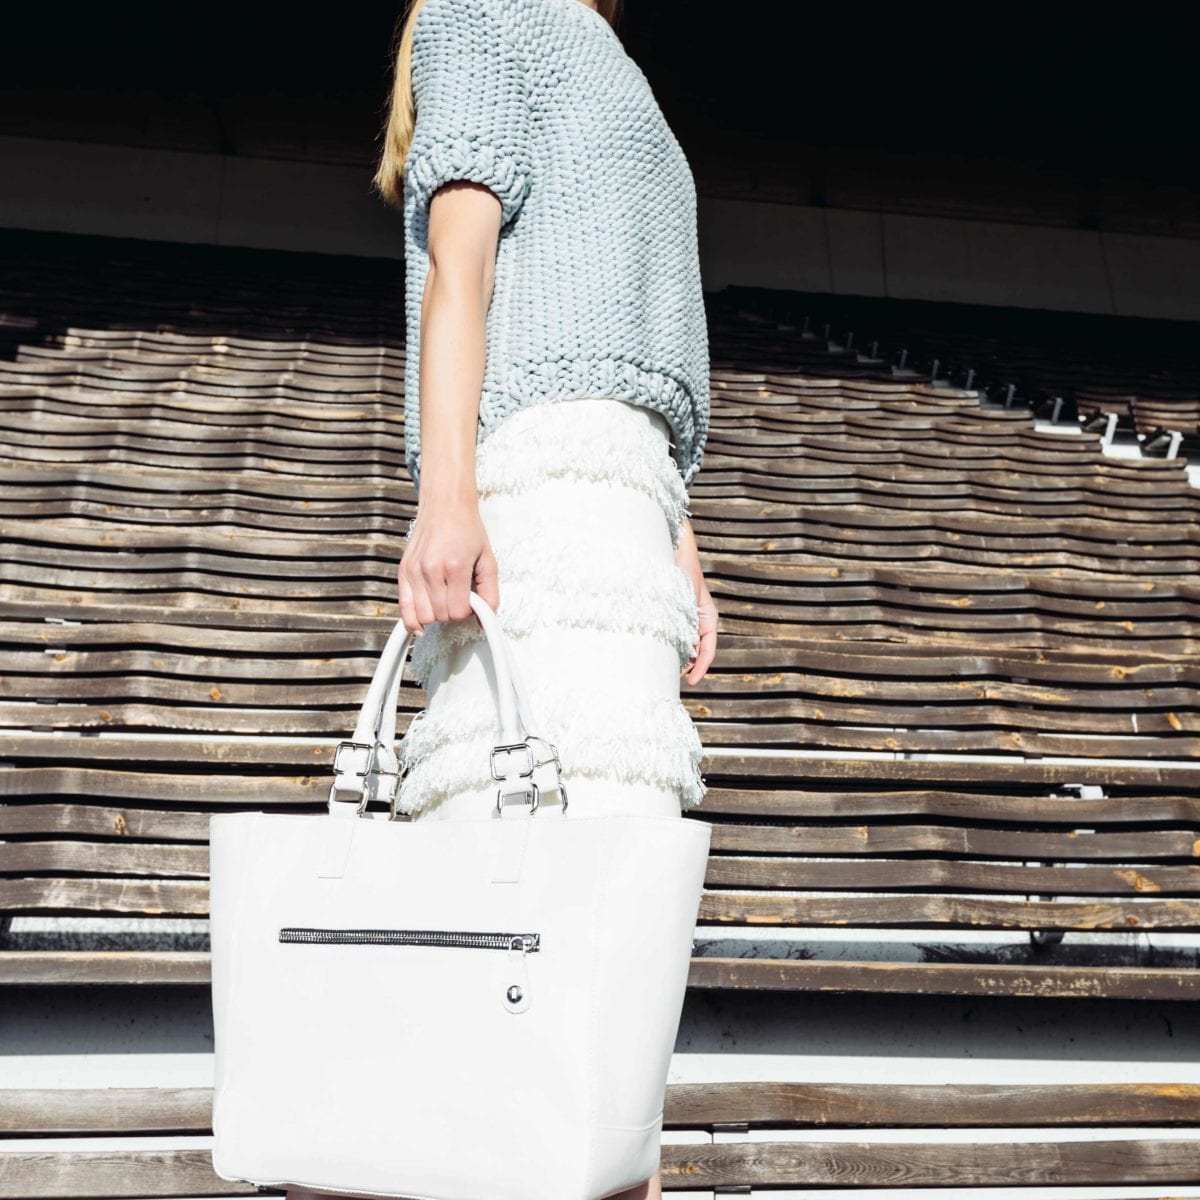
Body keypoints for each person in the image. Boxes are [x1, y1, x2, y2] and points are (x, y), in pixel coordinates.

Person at [286, 0, 718, 1196]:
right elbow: (459, 270)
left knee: (616, 933)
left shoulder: (608, 50)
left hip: (624, 512)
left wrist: (676, 532)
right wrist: (448, 498)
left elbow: (629, 326)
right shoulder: (491, 11)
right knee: (537, 907)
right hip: (540, 498)